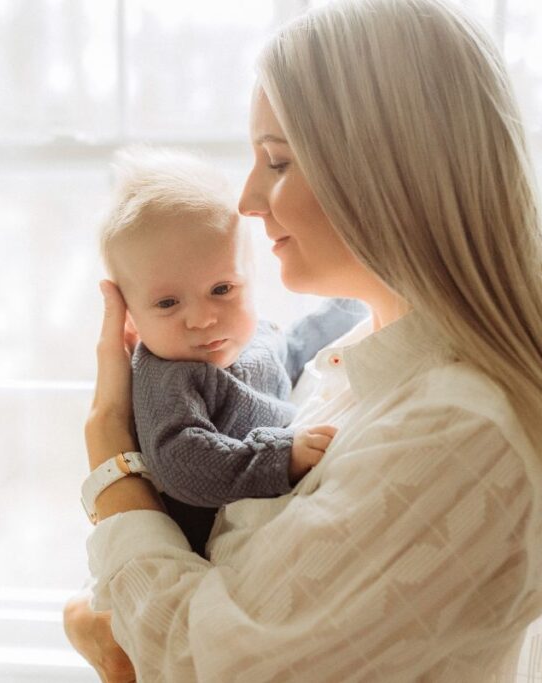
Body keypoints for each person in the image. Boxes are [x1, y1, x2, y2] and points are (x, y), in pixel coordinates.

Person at [66, 0, 542, 680]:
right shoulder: (352, 367)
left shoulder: (460, 430)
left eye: (276, 161)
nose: (246, 199)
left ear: (386, 172)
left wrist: (111, 458)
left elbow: (204, 660)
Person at [96, 147, 366, 555]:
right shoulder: (168, 376)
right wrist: (279, 457)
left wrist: (351, 299)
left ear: (250, 279)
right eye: (168, 303)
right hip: (199, 554)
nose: (203, 319)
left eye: (222, 290)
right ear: (130, 320)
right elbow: (183, 460)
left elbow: (292, 354)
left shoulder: (254, 337)